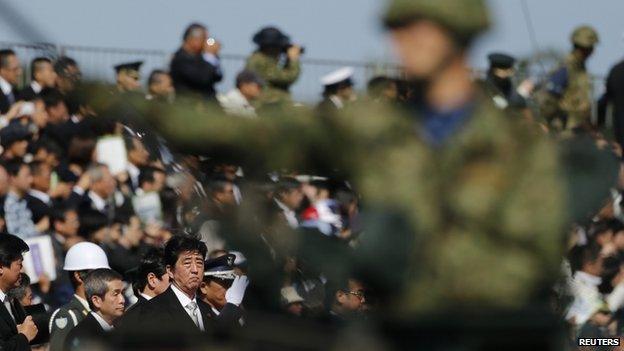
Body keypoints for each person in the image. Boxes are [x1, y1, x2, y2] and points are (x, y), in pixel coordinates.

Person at [138, 235, 212, 334]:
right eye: (187, 263)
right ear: (170, 271)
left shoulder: (206, 309)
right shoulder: (153, 311)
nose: (195, 270)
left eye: (199, 263)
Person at [48, 242, 110, 351]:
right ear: (78, 276)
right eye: (98, 274)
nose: (105, 279)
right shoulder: (68, 315)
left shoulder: (105, 311)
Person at [539, 25, 599, 131]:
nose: (592, 52)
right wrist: (549, 121)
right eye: (590, 48)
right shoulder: (566, 67)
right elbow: (549, 98)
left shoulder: (580, 68)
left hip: (579, 129)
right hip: (566, 130)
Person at [64, 269, 124, 351]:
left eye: (122, 293)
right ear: (96, 301)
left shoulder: (123, 328)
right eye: (115, 294)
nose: (122, 300)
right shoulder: (82, 336)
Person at [245, 26, 302, 108]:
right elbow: (288, 77)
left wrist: (287, 61)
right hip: (267, 105)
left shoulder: (264, 60)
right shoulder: (259, 61)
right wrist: (293, 59)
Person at [0, 233, 38, 350]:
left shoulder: (11, 300)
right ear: (1, 268)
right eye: (19, 264)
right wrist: (24, 336)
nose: (22, 269)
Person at [170, 23, 223, 100]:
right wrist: (209, 55)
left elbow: (218, 76)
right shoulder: (181, 58)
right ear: (193, 39)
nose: (206, 43)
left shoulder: (201, 57)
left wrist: (213, 57)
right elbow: (202, 79)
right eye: (204, 39)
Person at [198, 254, 248, 327]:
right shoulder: (197, 313)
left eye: (232, 283)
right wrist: (232, 305)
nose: (231, 289)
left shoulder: (233, 311)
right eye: (225, 283)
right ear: (204, 287)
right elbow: (215, 335)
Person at [3, 161, 42, 239]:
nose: (31, 180)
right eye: (27, 176)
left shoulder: (24, 200)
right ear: (13, 178)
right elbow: (14, 237)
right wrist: (38, 228)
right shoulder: (9, 203)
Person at [0, 49, 22, 115]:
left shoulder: (16, 93)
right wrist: (9, 115)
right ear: (2, 70)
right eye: (15, 69)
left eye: (19, 68)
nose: (19, 72)